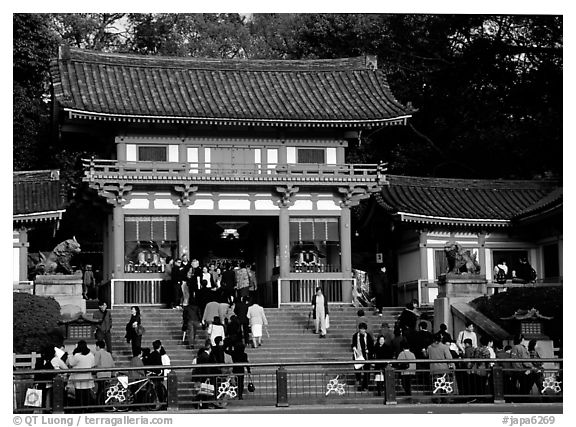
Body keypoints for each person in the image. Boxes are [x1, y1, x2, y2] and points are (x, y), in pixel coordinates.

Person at [67, 340, 96, 410]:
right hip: (87, 377)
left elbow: (71, 363)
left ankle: (79, 408)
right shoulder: (91, 355)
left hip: (78, 377)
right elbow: (93, 365)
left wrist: (70, 355)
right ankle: (87, 408)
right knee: (86, 394)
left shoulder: (77, 356)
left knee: (79, 394)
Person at [426, 332, 453, 403]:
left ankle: (437, 399)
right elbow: (449, 357)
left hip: (434, 369)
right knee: (445, 384)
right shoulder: (444, 347)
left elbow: (427, 355)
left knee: (436, 385)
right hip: (444, 369)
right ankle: (446, 399)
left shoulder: (429, 347)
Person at [351, 322, 374, 391]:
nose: (362, 330)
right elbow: (353, 344)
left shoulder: (368, 336)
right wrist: (354, 348)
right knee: (358, 370)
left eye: (363, 329)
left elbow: (371, 346)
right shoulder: (355, 336)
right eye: (361, 329)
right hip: (358, 355)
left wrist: (369, 351)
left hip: (366, 355)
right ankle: (358, 383)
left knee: (367, 371)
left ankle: (365, 386)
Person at [94, 340, 115, 405]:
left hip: (101, 374)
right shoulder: (108, 354)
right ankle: (105, 404)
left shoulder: (98, 353)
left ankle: (99, 404)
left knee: (100, 390)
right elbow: (113, 365)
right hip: (108, 375)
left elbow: (95, 363)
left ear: (98, 346)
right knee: (105, 390)